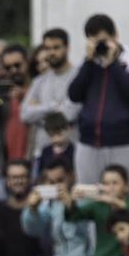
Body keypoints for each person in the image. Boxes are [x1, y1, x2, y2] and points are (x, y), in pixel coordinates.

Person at [66, 13, 129, 188]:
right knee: (88, 201)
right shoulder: (90, 64)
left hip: (127, 144)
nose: (101, 45)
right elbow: (74, 94)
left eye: (103, 40)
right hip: (89, 144)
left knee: (127, 203)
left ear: (115, 36)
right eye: (94, 41)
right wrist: (88, 62)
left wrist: (113, 64)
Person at [21, 27, 81, 159]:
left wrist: (38, 108)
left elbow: (69, 114)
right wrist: (54, 106)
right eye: (48, 48)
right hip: (42, 153)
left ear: (67, 48)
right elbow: (25, 114)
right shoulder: (39, 81)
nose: (52, 52)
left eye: (56, 47)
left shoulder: (79, 76)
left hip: (71, 153)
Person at [0, 44, 33, 164]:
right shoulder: (1, 94)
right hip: (7, 162)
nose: (13, 70)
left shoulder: (38, 87)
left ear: (27, 62)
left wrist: (24, 94)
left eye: (17, 65)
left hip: (33, 157)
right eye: (8, 67)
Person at [31, 112, 75, 182]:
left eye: (59, 134)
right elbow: (40, 173)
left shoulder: (73, 150)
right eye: (51, 135)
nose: (55, 139)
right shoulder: (46, 151)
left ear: (67, 129)